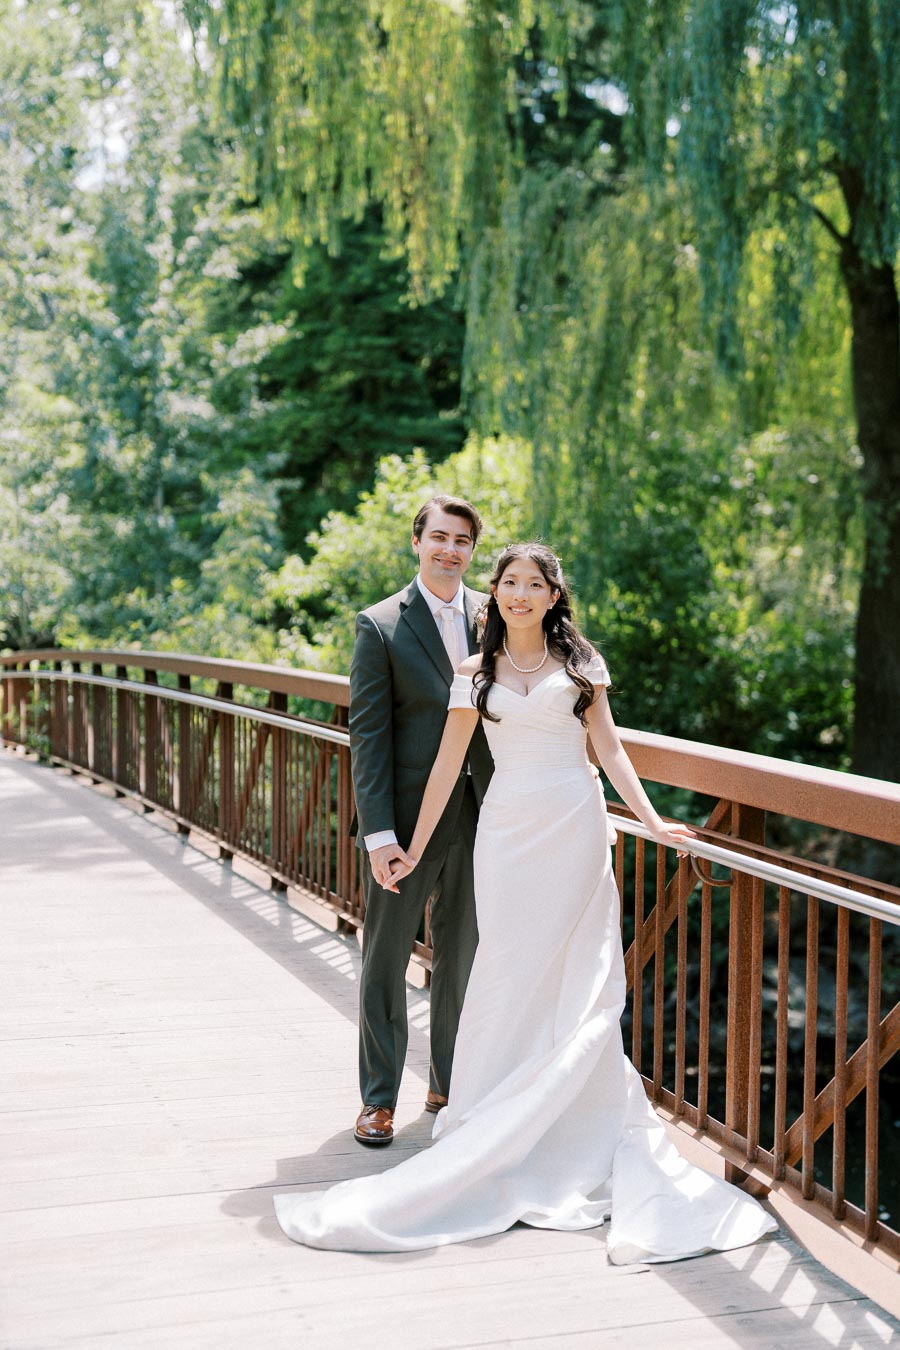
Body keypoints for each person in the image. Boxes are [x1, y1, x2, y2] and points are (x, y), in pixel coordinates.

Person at [275, 543, 777, 1262]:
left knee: (580, 978)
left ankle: (575, 1121)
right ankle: (490, 1116)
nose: (517, 594)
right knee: (508, 972)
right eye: (507, 582)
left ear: (551, 596)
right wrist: (410, 847)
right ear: (497, 594)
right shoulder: (474, 674)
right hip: (507, 837)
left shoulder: (581, 665)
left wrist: (653, 818)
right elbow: (447, 767)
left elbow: (609, 750)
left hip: (574, 829)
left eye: (532, 585)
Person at [346, 494, 493, 1147]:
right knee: (385, 957)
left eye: (462, 540)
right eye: (439, 537)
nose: (450, 550)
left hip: (480, 814)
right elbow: (368, 740)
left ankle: (448, 1084)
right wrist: (379, 834)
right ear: (417, 542)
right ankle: (378, 1099)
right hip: (405, 823)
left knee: (461, 953)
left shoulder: (496, 616)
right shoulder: (379, 626)